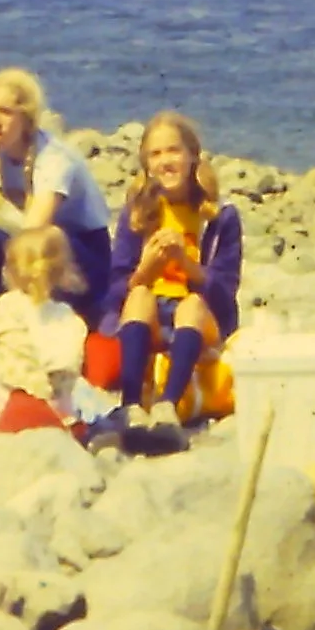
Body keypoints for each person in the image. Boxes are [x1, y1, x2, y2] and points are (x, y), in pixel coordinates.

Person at [0, 68, 113, 329]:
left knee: (46, 240)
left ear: (26, 118)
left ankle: (57, 319)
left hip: (82, 256)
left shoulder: (53, 159)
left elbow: (34, 229)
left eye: (5, 112)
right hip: (34, 246)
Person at [106, 111, 243, 433]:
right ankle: (131, 405)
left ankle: (168, 404)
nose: (165, 162)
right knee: (139, 294)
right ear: (146, 164)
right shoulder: (139, 213)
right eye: (156, 154)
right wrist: (146, 270)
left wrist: (187, 264)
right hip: (152, 316)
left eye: (173, 151)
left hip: (199, 318)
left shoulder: (219, 217)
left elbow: (225, 293)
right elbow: (113, 293)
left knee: (191, 305)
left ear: (193, 156)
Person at [0, 226, 92, 442]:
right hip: (55, 410)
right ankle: (67, 426)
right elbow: (73, 360)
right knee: (67, 409)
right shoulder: (67, 316)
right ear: (61, 272)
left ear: (10, 272)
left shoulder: (5, 306)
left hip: (10, 404)